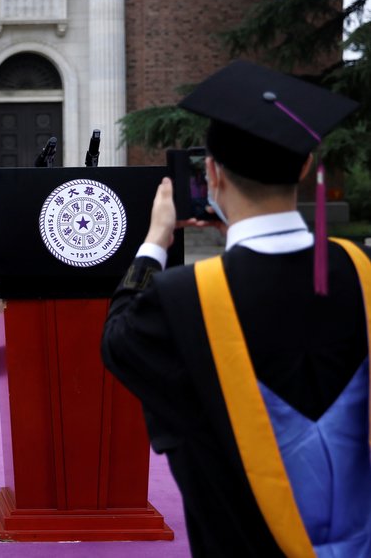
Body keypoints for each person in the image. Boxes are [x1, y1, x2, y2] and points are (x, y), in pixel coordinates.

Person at [101, 60, 371, 556]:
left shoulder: (183, 300)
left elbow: (118, 340)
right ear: (306, 166)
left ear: (212, 174)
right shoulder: (362, 271)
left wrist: (155, 241)